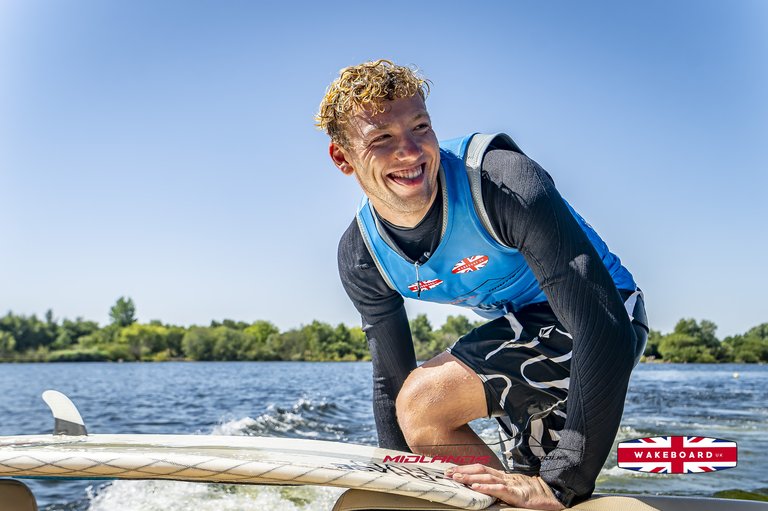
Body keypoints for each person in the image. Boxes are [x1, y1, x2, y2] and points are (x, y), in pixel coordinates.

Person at [315, 60, 648, 510]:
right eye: (382, 139)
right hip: (519, 333)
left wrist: (565, 477)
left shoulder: (501, 183)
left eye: (420, 128)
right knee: (517, 488)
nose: (411, 152)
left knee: (426, 403)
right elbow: (389, 377)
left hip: (606, 314)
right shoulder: (363, 255)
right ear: (343, 158)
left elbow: (602, 324)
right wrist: (396, 477)